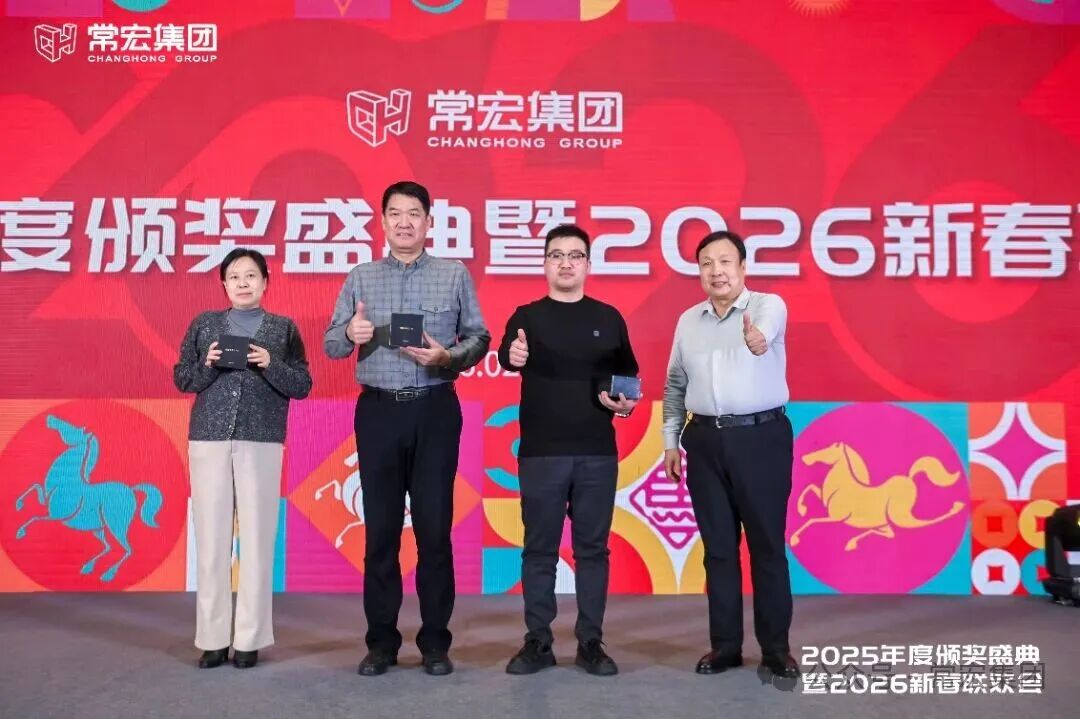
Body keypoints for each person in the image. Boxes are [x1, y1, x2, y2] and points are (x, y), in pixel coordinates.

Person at [324, 180, 490, 677]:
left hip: (435, 409)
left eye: (413, 213)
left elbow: (480, 337)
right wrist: (349, 332)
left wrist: (448, 357)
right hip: (378, 413)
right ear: (382, 222)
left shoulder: (453, 274)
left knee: (435, 530)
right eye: (394, 213)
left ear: (428, 222)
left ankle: (435, 642)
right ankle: (381, 643)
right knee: (380, 531)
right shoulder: (361, 277)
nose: (403, 222)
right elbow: (332, 344)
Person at [497, 224, 639, 677]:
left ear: (588, 265)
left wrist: (625, 404)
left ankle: (591, 642)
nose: (565, 263)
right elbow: (507, 355)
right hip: (541, 453)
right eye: (556, 255)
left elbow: (628, 380)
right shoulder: (526, 317)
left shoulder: (609, 317)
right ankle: (538, 641)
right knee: (539, 549)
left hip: (597, 452)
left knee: (592, 550)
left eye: (574, 255)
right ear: (544, 264)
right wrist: (513, 356)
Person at [661, 230, 799, 679]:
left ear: (742, 267)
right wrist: (670, 440)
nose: (716, 271)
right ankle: (725, 647)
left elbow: (765, 334)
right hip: (703, 441)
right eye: (707, 263)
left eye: (725, 262)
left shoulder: (767, 306)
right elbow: (675, 385)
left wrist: (758, 340)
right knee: (718, 550)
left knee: (766, 547)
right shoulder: (688, 321)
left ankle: (775, 650)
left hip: (760, 439)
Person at [173, 248, 312, 670]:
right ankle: (213, 639)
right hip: (209, 439)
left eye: (251, 275)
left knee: (256, 539)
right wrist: (208, 363)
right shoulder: (204, 324)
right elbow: (183, 378)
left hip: (262, 439)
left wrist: (271, 364)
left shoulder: (283, 328)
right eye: (234, 276)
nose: (243, 283)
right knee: (211, 540)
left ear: (266, 281)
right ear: (224, 283)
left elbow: (302, 384)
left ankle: (250, 639)